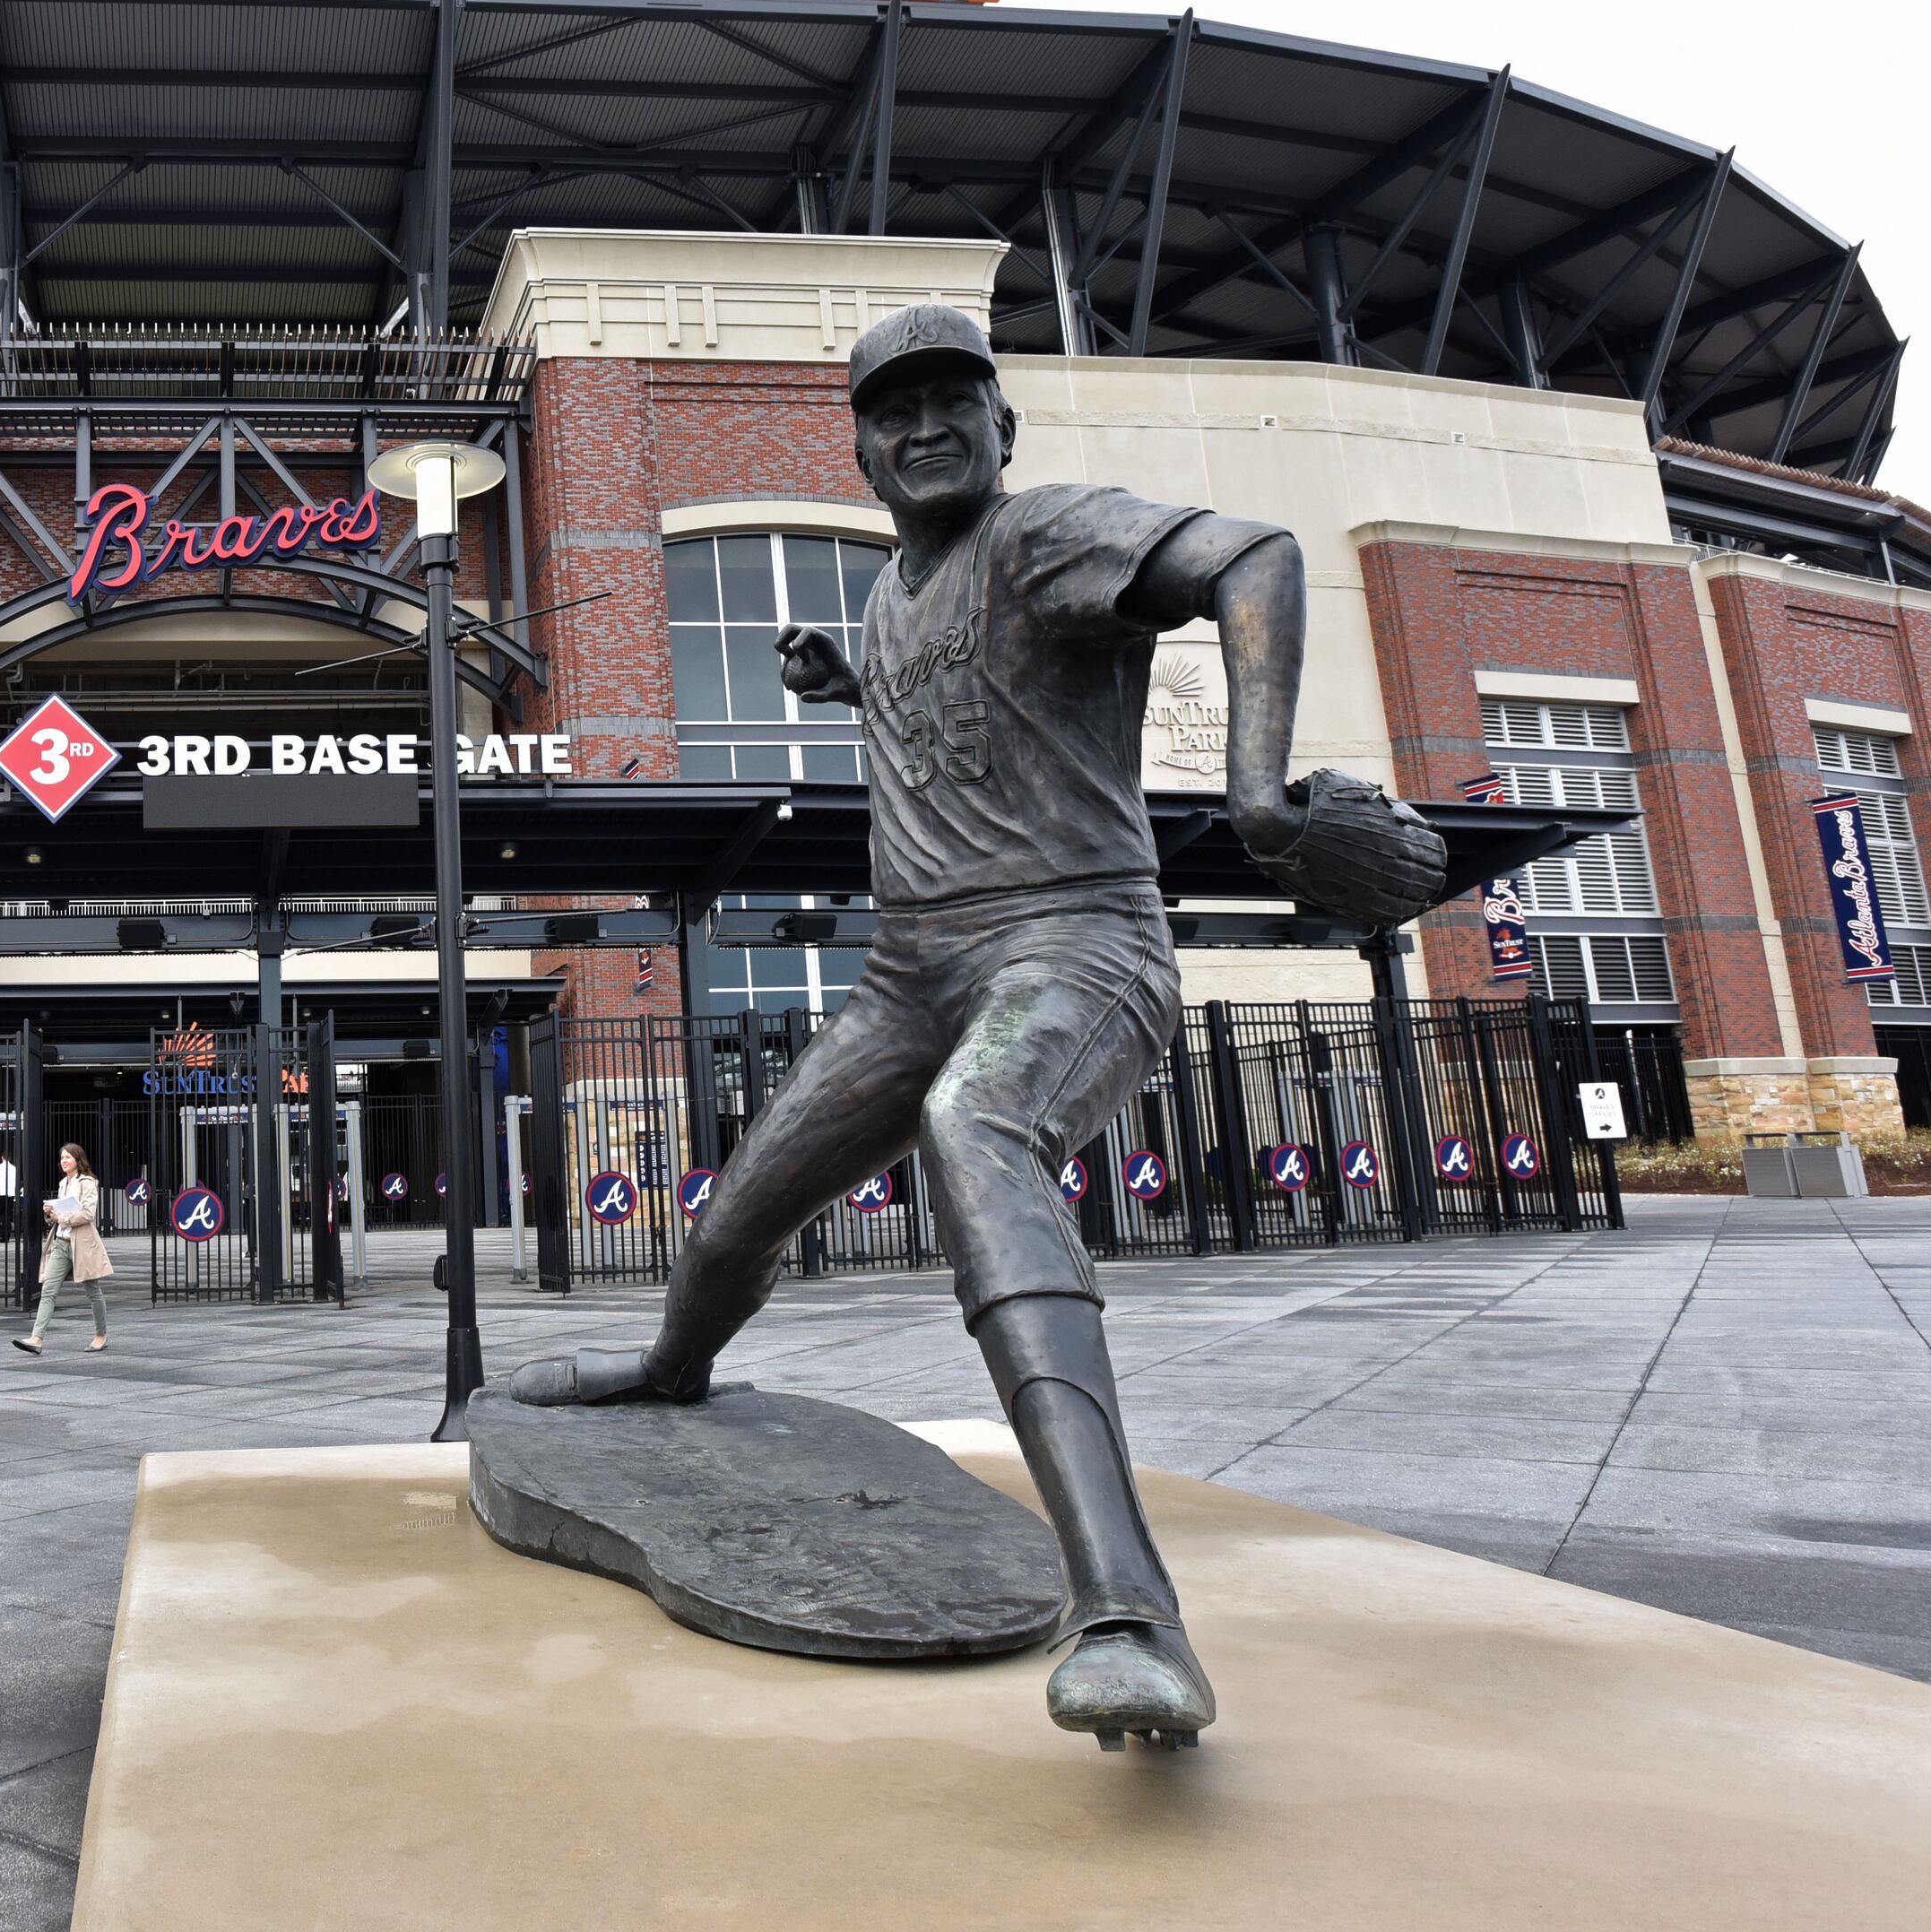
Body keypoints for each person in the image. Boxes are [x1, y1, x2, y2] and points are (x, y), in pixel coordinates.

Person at [507, 301, 1441, 1753]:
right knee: (738, 1204)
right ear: (865, 452)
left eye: (956, 400)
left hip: (1075, 940)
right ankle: (675, 1363)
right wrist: (838, 673)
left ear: (1006, 428)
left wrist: (1257, 794)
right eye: (895, 410)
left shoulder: (1046, 534)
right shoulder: (892, 597)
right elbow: (931, 678)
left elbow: (1251, 557)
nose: (926, 426)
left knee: (976, 1126)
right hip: (911, 974)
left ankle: (1129, 1609)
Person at [14, 1140, 113, 1355]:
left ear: (78, 1159)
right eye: (62, 1158)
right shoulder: (62, 1184)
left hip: (81, 1245)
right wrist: (50, 1214)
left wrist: (63, 1217)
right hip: (60, 1244)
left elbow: (88, 1214)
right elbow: (57, 1218)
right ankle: (37, 1338)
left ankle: (101, 1335)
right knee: (48, 1290)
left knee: (92, 1291)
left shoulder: (88, 1182)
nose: (64, 1161)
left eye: (68, 1157)